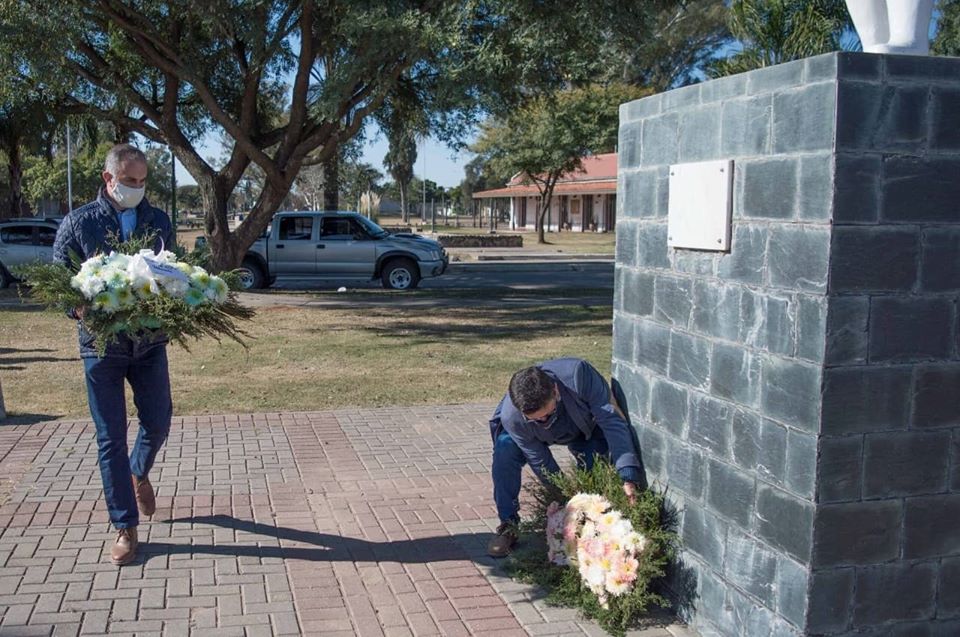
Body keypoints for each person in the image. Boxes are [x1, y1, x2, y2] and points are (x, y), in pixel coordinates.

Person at [52, 144, 174, 566]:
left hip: (149, 344)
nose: (136, 189)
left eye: (142, 182)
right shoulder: (78, 223)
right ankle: (125, 526)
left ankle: (139, 470)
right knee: (110, 437)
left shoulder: (158, 221)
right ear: (109, 179)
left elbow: (169, 271)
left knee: (158, 421)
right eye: (129, 181)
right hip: (100, 346)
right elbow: (59, 281)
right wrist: (78, 306)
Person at [486, 358, 645, 557]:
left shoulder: (579, 375)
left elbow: (612, 421)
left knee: (592, 466)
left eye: (547, 414)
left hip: (580, 426)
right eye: (536, 419)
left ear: (555, 390)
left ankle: (593, 523)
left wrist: (628, 475)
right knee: (504, 450)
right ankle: (508, 524)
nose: (543, 421)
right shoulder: (512, 415)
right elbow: (540, 460)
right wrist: (563, 502)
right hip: (531, 438)